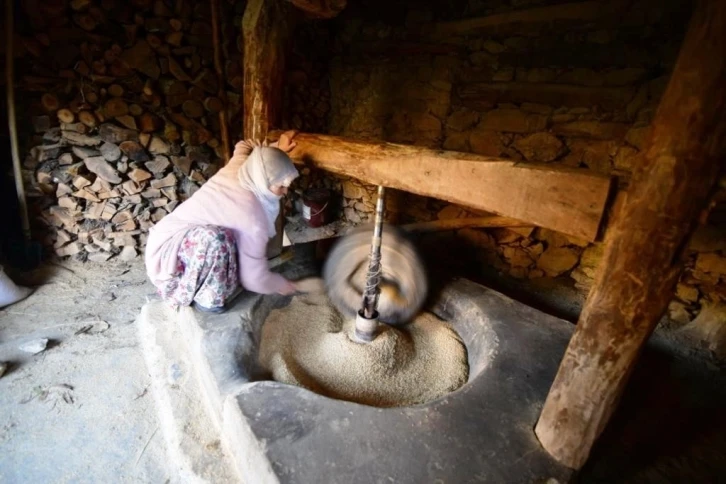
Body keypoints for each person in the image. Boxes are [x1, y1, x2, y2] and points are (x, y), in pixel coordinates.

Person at [145, 131, 302, 313]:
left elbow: (245, 145)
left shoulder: (244, 165)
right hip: (168, 260)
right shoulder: (251, 217)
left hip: (174, 239)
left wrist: (276, 149)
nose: (284, 192)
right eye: (280, 186)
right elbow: (253, 279)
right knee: (217, 239)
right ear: (263, 180)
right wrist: (281, 284)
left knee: (226, 241)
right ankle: (207, 299)